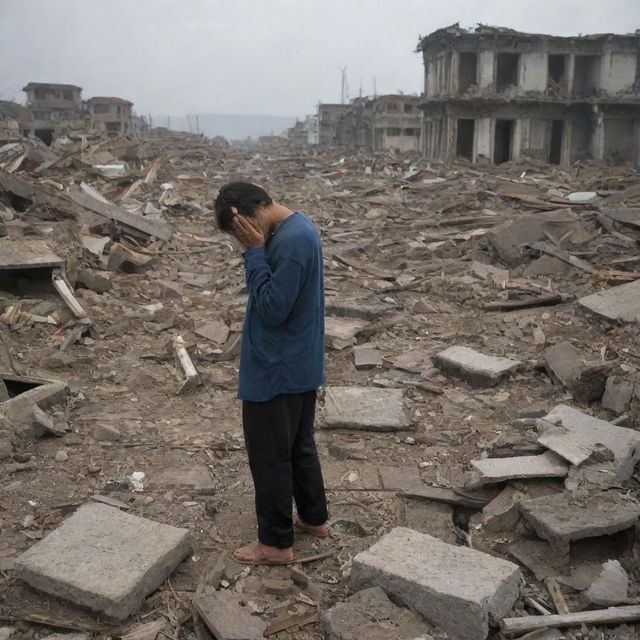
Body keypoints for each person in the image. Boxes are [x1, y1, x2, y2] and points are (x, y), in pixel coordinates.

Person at [213, 181, 329, 565]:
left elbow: (273, 308)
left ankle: (276, 544)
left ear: (259, 208)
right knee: (298, 446)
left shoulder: (290, 240)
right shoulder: (296, 231)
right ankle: (313, 519)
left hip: (277, 368)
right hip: (296, 362)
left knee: (270, 456)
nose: (242, 238)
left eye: (242, 228)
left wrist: (254, 254)